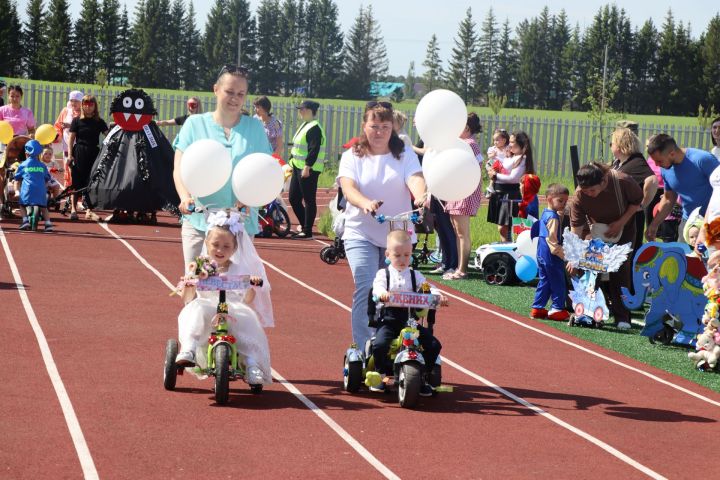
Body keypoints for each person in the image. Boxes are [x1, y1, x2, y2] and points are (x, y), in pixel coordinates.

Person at [337, 101, 427, 351]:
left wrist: (420, 196)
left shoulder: (404, 154)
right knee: (367, 286)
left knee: (397, 289)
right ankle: (366, 347)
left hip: (397, 235)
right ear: (364, 126)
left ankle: (394, 342)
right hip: (361, 231)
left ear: (392, 128)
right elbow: (348, 188)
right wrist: (365, 203)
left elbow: (415, 179)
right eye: (374, 126)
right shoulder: (352, 155)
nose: (379, 132)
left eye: (385, 127)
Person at [173, 65, 272, 266]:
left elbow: (264, 172)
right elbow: (179, 168)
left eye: (240, 94)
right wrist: (185, 198)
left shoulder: (255, 128)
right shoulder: (194, 124)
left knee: (236, 291)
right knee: (197, 286)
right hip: (200, 223)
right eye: (229, 92)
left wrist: (250, 199)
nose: (234, 98)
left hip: (239, 228)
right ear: (216, 89)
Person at [175, 210, 273, 386]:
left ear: (235, 248)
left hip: (233, 308)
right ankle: (188, 348)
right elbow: (187, 297)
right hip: (207, 306)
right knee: (194, 311)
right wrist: (190, 283)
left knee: (249, 322)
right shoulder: (200, 267)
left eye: (226, 246)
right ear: (206, 243)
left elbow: (248, 299)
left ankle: (252, 364)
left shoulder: (239, 269)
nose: (220, 250)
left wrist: (251, 285)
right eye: (215, 244)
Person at [366, 230, 444, 395]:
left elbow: (427, 288)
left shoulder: (415, 275)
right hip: (389, 319)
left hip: (410, 321)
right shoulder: (384, 274)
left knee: (434, 345)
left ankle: (423, 376)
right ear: (388, 254)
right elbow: (377, 287)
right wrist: (381, 293)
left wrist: (438, 296)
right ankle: (379, 375)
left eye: (407, 255)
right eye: (398, 255)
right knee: (379, 344)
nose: (402, 259)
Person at [570, 162, 643, 330]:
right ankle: (589, 313)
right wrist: (574, 257)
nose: (590, 194)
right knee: (589, 267)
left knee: (620, 269)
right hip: (594, 230)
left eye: (592, 190)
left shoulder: (623, 181)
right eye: (586, 191)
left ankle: (622, 316)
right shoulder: (580, 196)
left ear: (603, 182)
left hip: (623, 229)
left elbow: (637, 201)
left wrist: (620, 222)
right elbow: (576, 228)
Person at [645, 134, 720, 253]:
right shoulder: (666, 168)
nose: (657, 165)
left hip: (714, 222)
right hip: (688, 223)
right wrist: (654, 224)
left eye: (659, 161)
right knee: (686, 263)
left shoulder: (703, 159)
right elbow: (669, 198)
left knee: (711, 266)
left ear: (672, 153)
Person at [443, 112, 483, 280]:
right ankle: (459, 267)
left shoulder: (470, 144)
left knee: (462, 232)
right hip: (457, 189)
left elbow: (477, 165)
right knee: (457, 230)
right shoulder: (461, 143)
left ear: (466, 127)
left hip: (464, 191)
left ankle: (462, 270)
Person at [610, 127, 658, 250]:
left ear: (620, 145)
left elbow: (652, 181)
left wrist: (642, 205)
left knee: (628, 254)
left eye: (612, 143)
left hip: (632, 219)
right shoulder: (620, 161)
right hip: (621, 217)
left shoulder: (636, 162)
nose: (610, 146)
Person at [531, 184, 570, 321]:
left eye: (565, 201)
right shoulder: (553, 218)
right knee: (558, 281)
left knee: (545, 280)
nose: (563, 204)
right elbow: (553, 241)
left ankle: (538, 307)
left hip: (541, 253)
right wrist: (565, 256)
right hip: (551, 255)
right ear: (549, 198)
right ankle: (557, 309)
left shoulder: (546, 213)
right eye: (560, 201)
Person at [288, 100, 326, 240]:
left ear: (310, 110)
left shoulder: (314, 127)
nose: (300, 111)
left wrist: (307, 166)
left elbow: (314, 149)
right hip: (298, 166)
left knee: (309, 199)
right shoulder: (306, 125)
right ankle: (305, 226)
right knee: (293, 198)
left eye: (302, 109)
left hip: (308, 169)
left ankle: (307, 231)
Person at [487, 131, 535, 242]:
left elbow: (513, 178)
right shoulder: (510, 155)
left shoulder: (522, 158)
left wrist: (495, 175)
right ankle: (506, 247)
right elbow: (501, 166)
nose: (509, 144)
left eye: (512, 142)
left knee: (512, 227)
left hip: (510, 195)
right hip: (500, 192)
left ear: (521, 144)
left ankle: (515, 250)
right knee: (502, 227)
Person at [67, 95, 108, 221]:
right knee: (77, 181)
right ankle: (73, 209)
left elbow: (109, 135)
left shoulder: (99, 122)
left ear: (95, 106)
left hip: (94, 153)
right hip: (79, 152)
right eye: (85, 104)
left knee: (91, 182)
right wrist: (70, 155)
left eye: (91, 104)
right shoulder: (77, 120)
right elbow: (71, 139)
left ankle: (89, 210)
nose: (88, 107)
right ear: (82, 105)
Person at [13, 140, 52, 231]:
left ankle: (25, 220)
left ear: (26, 153)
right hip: (41, 191)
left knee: (22, 205)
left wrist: (17, 189)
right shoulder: (42, 165)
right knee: (44, 207)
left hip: (27, 191)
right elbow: (47, 178)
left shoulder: (23, 165)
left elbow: (17, 177)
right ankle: (48, 223)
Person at [53, 90, 83, 170]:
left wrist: (70, 126)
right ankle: (67, 182)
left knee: (78, 169)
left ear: (81, 102)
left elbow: (85, 128)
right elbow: (57, 126)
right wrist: (57, 135)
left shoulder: (85, 113)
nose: (74, 103)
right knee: (67, 167)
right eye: (71, 100)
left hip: (80, 147)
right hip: (66, 146)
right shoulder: (65, 111)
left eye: (76, 101)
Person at [485, 128, 510, 198]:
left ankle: (492, 188)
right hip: (494, 166)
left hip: (503, 166)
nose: (495, 142)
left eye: (497, 140)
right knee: (492, 168)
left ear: (504, 140)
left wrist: (508, 154)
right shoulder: (493, 149)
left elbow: (509, 157)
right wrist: (492, 155)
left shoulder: (507, 148)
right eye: (494, 140)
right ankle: (490, 187)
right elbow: (489, 157)